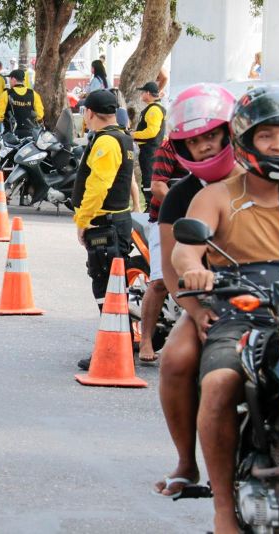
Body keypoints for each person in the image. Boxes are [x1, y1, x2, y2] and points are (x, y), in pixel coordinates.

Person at [172, 86, 279, 534]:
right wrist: (196, 270)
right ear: (245, 141)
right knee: (218, 384)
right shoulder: (216, 196)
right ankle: (222, 511)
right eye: (268, 136)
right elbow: (185, 252)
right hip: (241, 312)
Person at [152, 83, 238, 499]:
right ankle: (187, 461)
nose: (205, 146)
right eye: (194, 140)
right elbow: (173, 269)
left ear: (229, 132)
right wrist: (198, 310)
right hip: (212, 300)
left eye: (211, 136)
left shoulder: (269, 179)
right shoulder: (181, 197)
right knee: (175, 359)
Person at [72, 89, 135, 370]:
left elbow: (99, 185)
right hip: (116, 220)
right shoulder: (122, 137)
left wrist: (83, 220)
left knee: (105, 285)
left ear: (89, 113)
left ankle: (112, 347)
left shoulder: (106, 142)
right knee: (112, 285)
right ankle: (117, 342)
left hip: (104, 223)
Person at [137, 139, 188, 363]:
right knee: (159, 281)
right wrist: (182, 205)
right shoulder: (171, 147)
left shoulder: (223, 148)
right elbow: (158, 186)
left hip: (204, 220)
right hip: (167, 219)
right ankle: (146, 339)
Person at [132, 81, 166, 209]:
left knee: (148, 179)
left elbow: (152, 132)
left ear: (147, 93)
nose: (141, 94)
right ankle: (151, 205)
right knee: (149, 178)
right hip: (151, 150)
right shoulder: (156, 108)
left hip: (150, 151)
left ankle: (151, 206)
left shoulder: (154, 109)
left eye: (142, 92)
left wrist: (133, 135)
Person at [0, 69, 43, 139]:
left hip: (11, 134)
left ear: (13, 79)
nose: (9, 82)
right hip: (29, 134)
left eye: (10, 79)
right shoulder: (33, 94)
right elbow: (40, 115)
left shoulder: (6, 94)